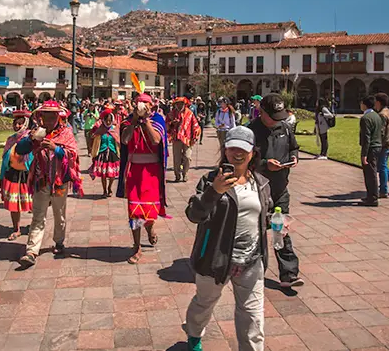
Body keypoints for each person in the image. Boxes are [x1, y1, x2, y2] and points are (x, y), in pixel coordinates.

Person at [184, 126, 272, 351]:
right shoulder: (211, 180)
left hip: (251, 260)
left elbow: (265, 215)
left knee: (253, 315)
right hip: (216, 258)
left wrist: (277, 222)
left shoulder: (261, 183)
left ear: (252, 152)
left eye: (243, 149)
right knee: (204, 304)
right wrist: (214, 191)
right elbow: (194, 215)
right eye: (231, 148)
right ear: (225, 150)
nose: (237, 153)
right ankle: (194, 336)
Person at [17, 100, 82, 268]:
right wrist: (31, 139)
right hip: (41, 180)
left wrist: (56, 149)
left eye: (52, 116)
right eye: (45, 116)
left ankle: (59, 241)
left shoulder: (66, 133)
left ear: (58, 117)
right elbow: (20, 149)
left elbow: (73, 155)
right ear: (40, 117)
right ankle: (31, 251)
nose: (49, 120)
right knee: (38, 216)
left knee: (59, 215)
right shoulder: (36, 132)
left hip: (59, 182)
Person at [248, 93, 303, 288]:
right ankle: (252, 270)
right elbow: (241, 161)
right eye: (273, 116)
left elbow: (294, 147)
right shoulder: (250, 131)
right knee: (256, 232)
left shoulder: (285, 128)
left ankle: (288, 274)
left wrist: (294, 157)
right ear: (261, 112)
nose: (277, 121)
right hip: (257, 191)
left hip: (279, 190)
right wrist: (264, 165)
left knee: (281, 231)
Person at [119, 93, 168, 264]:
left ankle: (150, 228)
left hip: (151, 172)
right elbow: (124, 140)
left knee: (148, 209)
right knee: (134, 211)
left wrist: (145, 121)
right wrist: (134, 122)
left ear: (151, 107)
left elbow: (155, 141)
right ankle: (137, 246)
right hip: (134, 171)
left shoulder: (158, 120)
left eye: (144, 104)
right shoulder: (127, 121)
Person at [0, 110, 34, 241]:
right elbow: (5, 160)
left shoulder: (31, 139)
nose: (18, 126)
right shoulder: (11, 140)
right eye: (16, 124)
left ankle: (35, 226)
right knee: (13, 203)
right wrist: (2, 177)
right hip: (12, 174)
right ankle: (16, 229)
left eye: (21, 124)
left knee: (34, 202)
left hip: (28, 175)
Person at [358, 96, 384, 206]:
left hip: (371, 148)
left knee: (370, 173)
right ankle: (370, 196)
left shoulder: (366, 118)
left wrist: (364, 154)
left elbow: (366, 137)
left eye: (361, 103)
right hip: (378, 146)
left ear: (364, 104)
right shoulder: (377, 116)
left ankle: (372, 198)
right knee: (371, 172)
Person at [168, 97, 201, 183]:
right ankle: (177, 175)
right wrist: (172, 123)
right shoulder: (171, 114)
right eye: (177, 104)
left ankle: (185, 173)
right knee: (177, 158)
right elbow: (166, 125)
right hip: (176, 138)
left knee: (187, 157)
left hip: (187, 139)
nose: (179, 105)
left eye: (181, 104)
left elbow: (195, 125)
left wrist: (196, 134)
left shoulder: (190, 113)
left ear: (185, 104)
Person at [90, 108, 121, 197]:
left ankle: (109, 187)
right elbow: (94, 137)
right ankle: (104, 190)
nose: (108, 122)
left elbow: (118, 140)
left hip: (113, 153)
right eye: (106, 121)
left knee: (112, 175)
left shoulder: (114, 129)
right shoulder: (100, 130)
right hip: (102, 153)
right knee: (104, 174)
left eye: (109, 121)